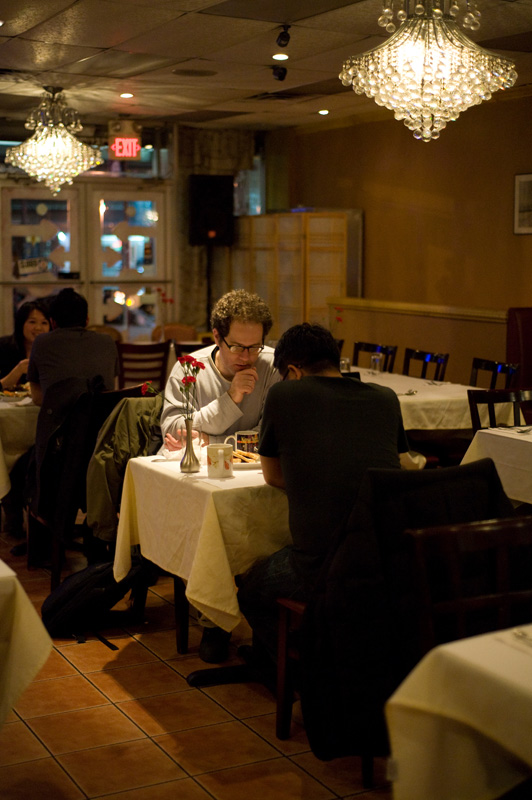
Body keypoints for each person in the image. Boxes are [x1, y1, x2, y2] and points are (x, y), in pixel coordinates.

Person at [236, 322, 410, 663]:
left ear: (293, 371)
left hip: (321, 563)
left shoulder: (285, 395)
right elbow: (393, 466)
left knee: (252, 588)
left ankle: (304, 674)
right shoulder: (385, 399)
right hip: (389, 554)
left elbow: (272, 476)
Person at [161, 289, 280, 663]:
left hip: (260, 475)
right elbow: (177, 429)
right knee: (206, 529)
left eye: (255, 347)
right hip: (207, 482)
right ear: (216, 337)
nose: (247, 357)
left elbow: (277, 428)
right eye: (237, 347)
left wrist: (210, 430)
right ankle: (212, 622)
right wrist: (231, 399)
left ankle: (264, 625)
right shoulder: (189, 369)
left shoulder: (271, 366)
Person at [28, 288, 118, 405]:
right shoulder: (108, 341)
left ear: (53, 322)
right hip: (104, 421)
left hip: (59, 421)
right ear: (87, 320)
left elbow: (37, 398)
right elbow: (111, 387)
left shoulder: (41, 342)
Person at [0, 300, 50, 391]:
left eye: (44, 323)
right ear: (21, 323)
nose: (38, 328)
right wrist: (18, 370)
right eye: (32, 322)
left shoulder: (53, 351)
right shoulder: (3, 347)